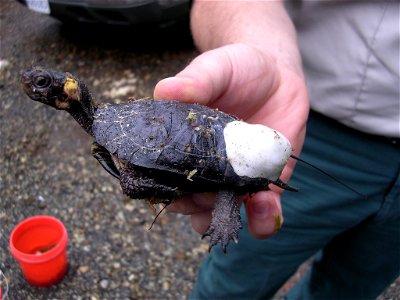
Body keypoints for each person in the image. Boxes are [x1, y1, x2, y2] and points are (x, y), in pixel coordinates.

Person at [154, 1, 400, 299]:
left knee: (353, 287)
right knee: (235, 282)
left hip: (274, 145)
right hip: (298, 122)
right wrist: (264, 50)